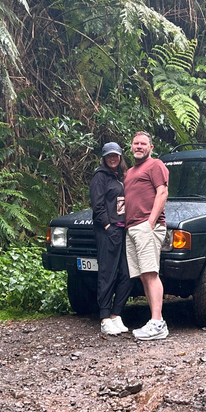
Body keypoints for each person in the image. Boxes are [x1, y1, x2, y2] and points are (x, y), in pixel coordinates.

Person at [124, 131, 169, 340]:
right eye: (136, 143)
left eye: (143, 144)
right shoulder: (130, 171)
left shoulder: (156, 165)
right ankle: (155, 321)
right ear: (131, 146)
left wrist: (150, 223)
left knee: (151, 273)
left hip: (147, 226)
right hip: (132, 228)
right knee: (143, 275)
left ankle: (158, 323)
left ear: (151, 147)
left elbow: (162, 193)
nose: (139, 146)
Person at [89, 142, 135, 335]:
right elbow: (97, 204)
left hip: (124, 229)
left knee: (127, 272)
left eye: (115, 155)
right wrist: (107, 225)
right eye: (109, 156)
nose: (113, 158)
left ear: (120, 156)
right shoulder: (100, 176)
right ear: (104, 158)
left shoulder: (122, 176)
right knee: (107, 272)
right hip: (108, 230)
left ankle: (117, 314)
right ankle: (105, 316)